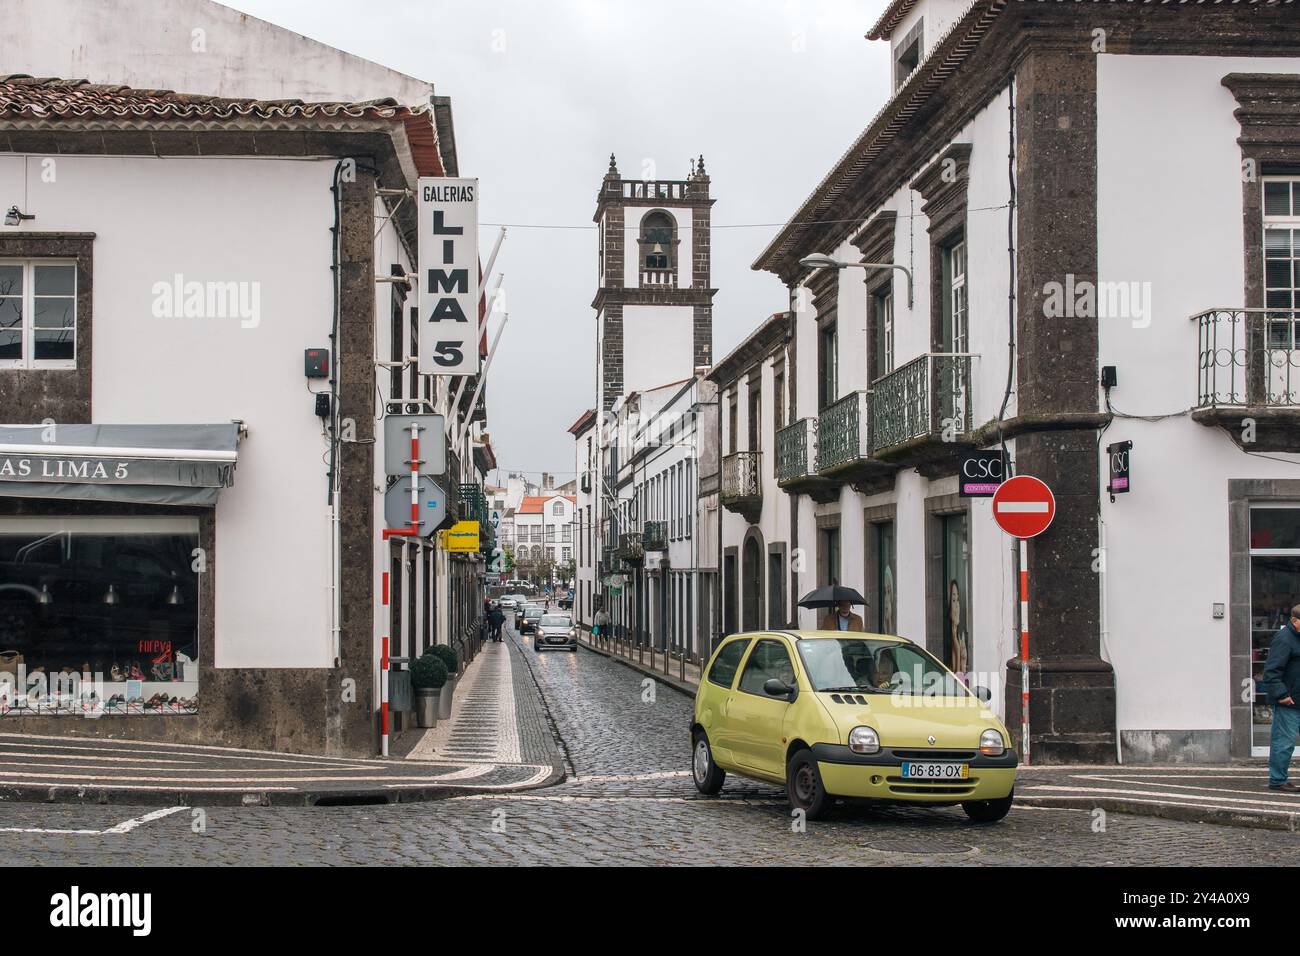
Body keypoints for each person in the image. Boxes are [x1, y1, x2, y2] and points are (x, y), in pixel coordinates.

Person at [1261, 605, 1300, 792]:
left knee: (1285, 742)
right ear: (1295, 621)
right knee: (1284, 743)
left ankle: (1279, 779)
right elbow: (1271, 671)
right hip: (1289, 702)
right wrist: (1282, 695)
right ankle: (1277, 780)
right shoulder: (1284, 639)